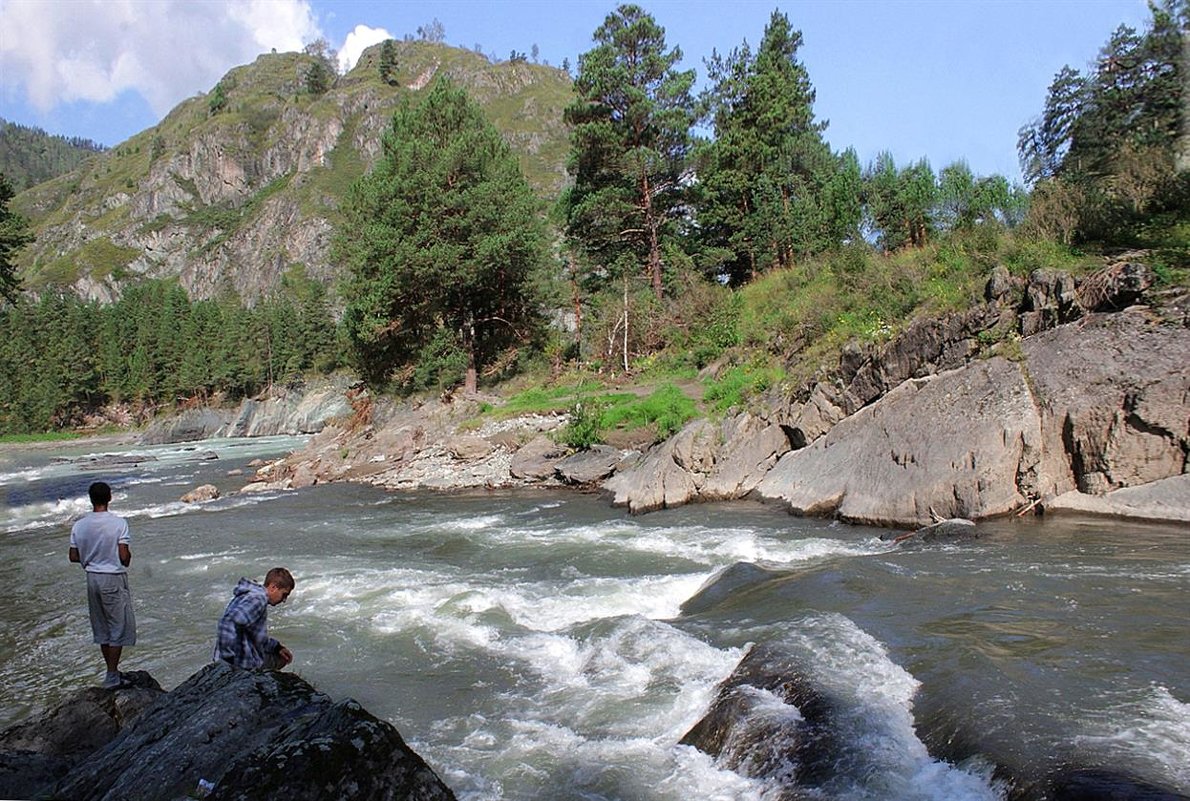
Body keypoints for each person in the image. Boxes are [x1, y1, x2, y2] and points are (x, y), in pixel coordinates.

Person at [68, 481, 136, 689]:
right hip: (112, 577)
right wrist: (126, 558)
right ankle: (112, 676)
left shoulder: (79, 525)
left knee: (102, 627)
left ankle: (111, 672)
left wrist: (91, 558)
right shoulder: (118, 523)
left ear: (90, 499)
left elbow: (73, 556)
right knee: (118, 626)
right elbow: (123, 556)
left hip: (92, 578)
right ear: (110, 498)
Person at [212, 567, 295, 670]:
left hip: (234, 657)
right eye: (284, 594)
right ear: (273, 587)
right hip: (240, 663)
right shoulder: (258, 600)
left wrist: (277, 647)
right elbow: (227, 623)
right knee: (281, 660)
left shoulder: (250, 595)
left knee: (279, 655)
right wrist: (227, 659)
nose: (284, 600)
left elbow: (256, 636)